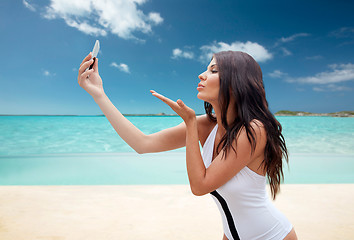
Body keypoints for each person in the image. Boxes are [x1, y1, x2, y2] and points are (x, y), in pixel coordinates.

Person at [78, 50, 298, 240]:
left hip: (272, 235)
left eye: (213, 70)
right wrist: (99, 95)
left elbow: (200, 186)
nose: (201, 74)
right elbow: (142, 143)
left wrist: (190, 123)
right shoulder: (206, 125)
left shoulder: (254, 130)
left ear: (235, 82)